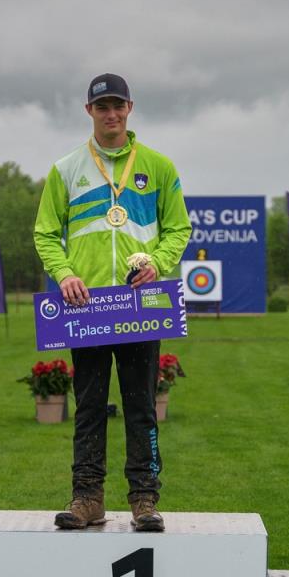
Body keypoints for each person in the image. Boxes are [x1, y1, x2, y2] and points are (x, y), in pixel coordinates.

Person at [33, 73, 192, 532]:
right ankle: (87, 498)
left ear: (130, 108)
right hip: (87, 307)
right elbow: (46, 233)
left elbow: (178, 228)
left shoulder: (158, 167)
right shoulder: (66, 169)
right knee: (89, 406)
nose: (111, 114)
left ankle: (145, 499)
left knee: (142, 406)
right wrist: (65, 274)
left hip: (140, 305)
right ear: (89, 111)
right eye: (102, 107)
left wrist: (157, 263)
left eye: (118, 105)